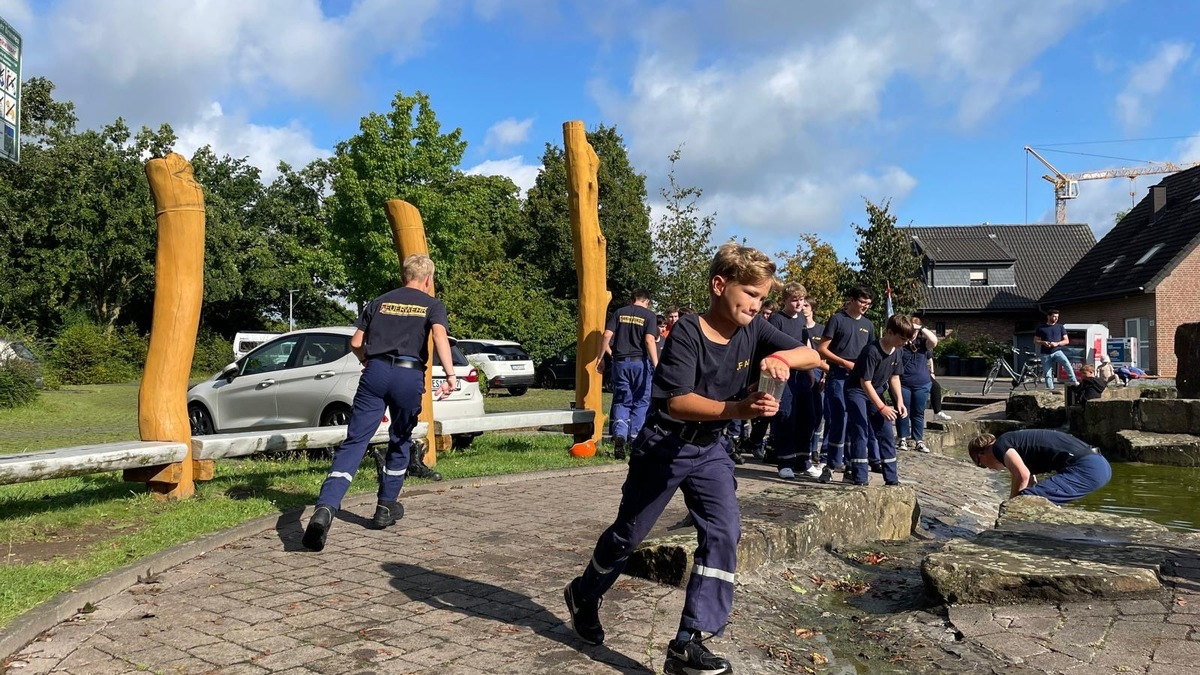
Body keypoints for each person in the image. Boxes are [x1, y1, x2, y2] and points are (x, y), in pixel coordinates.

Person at [563, 243, 821, 675]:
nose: (758, 306)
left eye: (763, 298)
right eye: (751, 295)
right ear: (720, 286)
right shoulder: (685, 331)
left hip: (712, 449)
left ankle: (690, 640)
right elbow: (679, 403)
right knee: (629, 535)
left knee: (724, 530)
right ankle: (585, 593)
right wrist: (740, 409)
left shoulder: (755, 330)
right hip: (665, 446)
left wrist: (779, 357)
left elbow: (810, 354)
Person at [303, 254, 455, 552]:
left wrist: (367, 362)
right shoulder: (432, 305)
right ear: (428, 280)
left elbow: (357, 343)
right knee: (400, 437)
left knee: (355, 441)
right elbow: (439, 336)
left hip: (375, 372)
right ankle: (386, 506)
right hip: (408, 376)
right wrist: (449, 374)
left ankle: (326, 507)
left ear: (404, 276)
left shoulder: (379, 301)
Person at [843, 314, 914, 486]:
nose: (904, 343)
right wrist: (882, 407)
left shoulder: (897, 351)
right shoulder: (871, 351)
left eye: (907, 339)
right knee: (860, 430)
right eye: (902, 338)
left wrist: (899, 401)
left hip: (877, 391)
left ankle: (891, 478)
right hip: (858, 391)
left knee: (886, 432)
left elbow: (895, 377)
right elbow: (864, 382)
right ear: (890, 332)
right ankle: (859, 476)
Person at [816, 286, 874, 483]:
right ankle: (830, 463)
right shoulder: (837, 320)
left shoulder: (868, 325)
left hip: (857, 379)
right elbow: (822, 349)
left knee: (855, 421)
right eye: (862, 302)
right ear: (852, 300)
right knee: (837, 419)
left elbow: (871, 352)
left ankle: (851, 466)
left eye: (868, 303)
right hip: (839, 375)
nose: (865, 306)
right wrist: (844, 362)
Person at [596, 290, 660, 460]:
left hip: (620, 363)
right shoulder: (649, 315)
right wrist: (656, 364)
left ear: (632, 300)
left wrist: (600, 358)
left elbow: (606, 335)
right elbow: (649, 340)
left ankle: (620, 435)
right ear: (647, 301)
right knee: (640, 401)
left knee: (621, 399)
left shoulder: (619, 313)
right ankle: (635, 439)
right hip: (640, 363)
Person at [967, 430, 1111, 505]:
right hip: (1099, 464)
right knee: (1034, 499)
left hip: (1087, 468)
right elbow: (1029, 480)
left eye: (981, 464)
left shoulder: (1000, 446)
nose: (987, 468)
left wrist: (1011, 503)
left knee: (1024, 502)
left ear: (981, 453)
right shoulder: (1016, 444)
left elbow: (1021, 475)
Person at [767, 284, 822, 479]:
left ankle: (803, 460)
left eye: (801, 300)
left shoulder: (801, 319)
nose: (799, 304)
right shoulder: (776, 319)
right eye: (794, 300)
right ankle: (785, 462)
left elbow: (806, 345)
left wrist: (809, 370)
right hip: (784, 373)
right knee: (785, 417)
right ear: (785, 301)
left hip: (802, 375)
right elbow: (771, 346)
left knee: (807, 417)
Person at [897, 316, 937, 453]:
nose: (912, 332)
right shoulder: (901, 343)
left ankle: (918, 440)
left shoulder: (923, 343)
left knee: (918, 412)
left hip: (921, 383)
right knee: (903, 411)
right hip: (903, 383)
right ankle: (902, 437)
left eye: (914, 330)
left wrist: (921, 328)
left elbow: (934, 341)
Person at [801, 296, 827, 466]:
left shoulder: (821, 330)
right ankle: (802, 450)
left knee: (819, 415)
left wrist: (825, 376)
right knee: (805, 415)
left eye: (806, 305)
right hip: (803, 374)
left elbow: (825, 354)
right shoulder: (799, 328)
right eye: (801, 305)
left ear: (812, 308)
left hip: (820, 374)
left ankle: (814, 449)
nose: (803, 308)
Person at [1034, 309, 1078, 390]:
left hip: (1057, 351)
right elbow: (1035, 340)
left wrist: (1057, 343)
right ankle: (1050, 390)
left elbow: (1066, 341)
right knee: (1048, 373)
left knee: (1067, 364)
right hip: (1045, 353)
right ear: (1048, 316)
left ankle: (1074, 382)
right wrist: (1043, 342)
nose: (1056, 318)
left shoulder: (1060, 327)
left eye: (1057, 317)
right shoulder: (1041, 328)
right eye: (1054, 316)